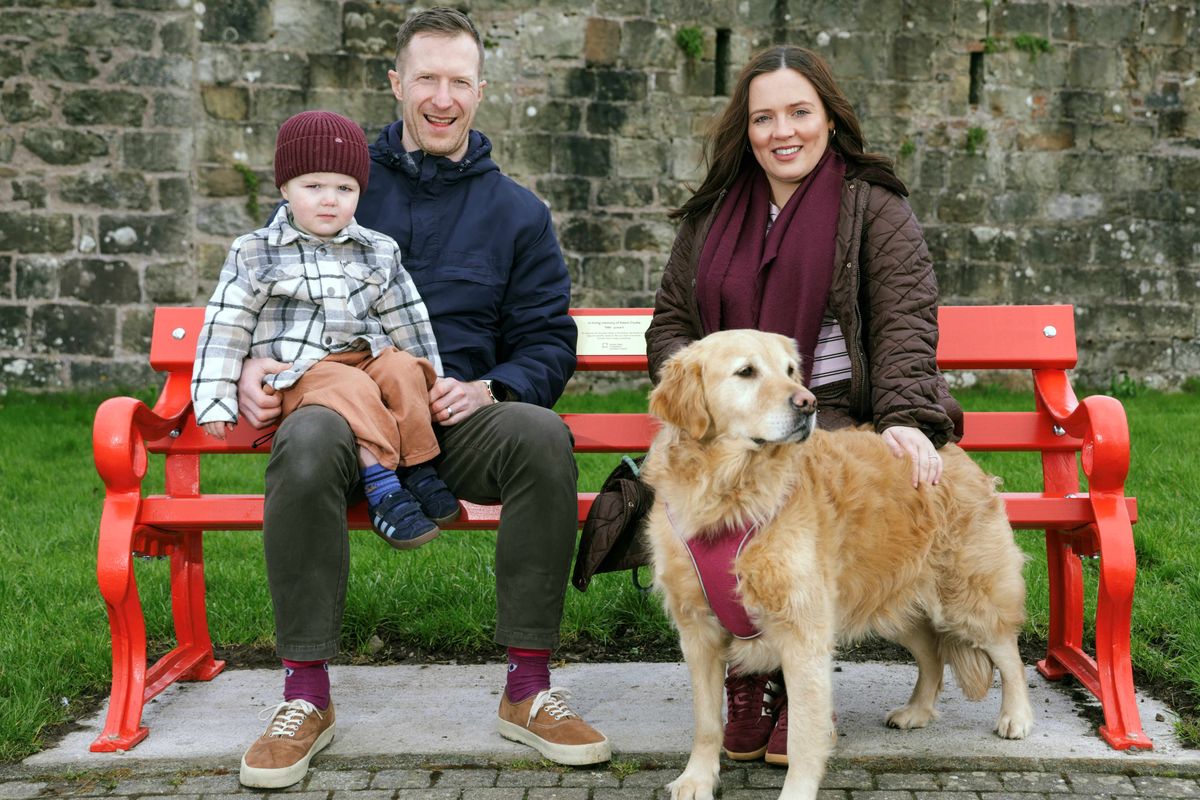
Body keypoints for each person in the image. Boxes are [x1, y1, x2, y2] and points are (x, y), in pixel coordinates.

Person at [232, 8, 610, 790]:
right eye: (427, 78)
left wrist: (492, 387)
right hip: (339, 408)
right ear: (398, 82)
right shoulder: (336, 183)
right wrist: (251, 360)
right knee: (304, 444)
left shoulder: (518, 214)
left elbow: (549, 338)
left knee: (542, 436)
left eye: (460, 81)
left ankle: (529, 689)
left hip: (451, 421)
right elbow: (257, 287)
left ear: (481, 90)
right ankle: (306, 696)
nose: (443, 97)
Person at [645, 45, 964, 767]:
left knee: (802, 519)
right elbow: (671, 322)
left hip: (839, 413)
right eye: (764, 117)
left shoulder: (872, 207)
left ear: (828, 118)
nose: (782, 131)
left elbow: (906, 322)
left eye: (799, 112)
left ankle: (790, 690)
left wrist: (909, 417)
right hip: (734, 420)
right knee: (704, 488)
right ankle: (747, 683)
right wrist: (701, 396)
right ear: (746, 129)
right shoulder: (713, 214)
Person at [192, 110, 459, 552]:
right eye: (313, 186)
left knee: (401, 369)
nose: (329, 200)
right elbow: (227, 324)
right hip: (301, 372)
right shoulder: (255, 252)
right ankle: (381, 486)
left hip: (366, 356)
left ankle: (419, 467)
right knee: (348, 383)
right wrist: (215, 398)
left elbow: (407, 318)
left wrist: (430, 374)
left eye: (345, 188)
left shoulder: (378, 249)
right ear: (285, 188)